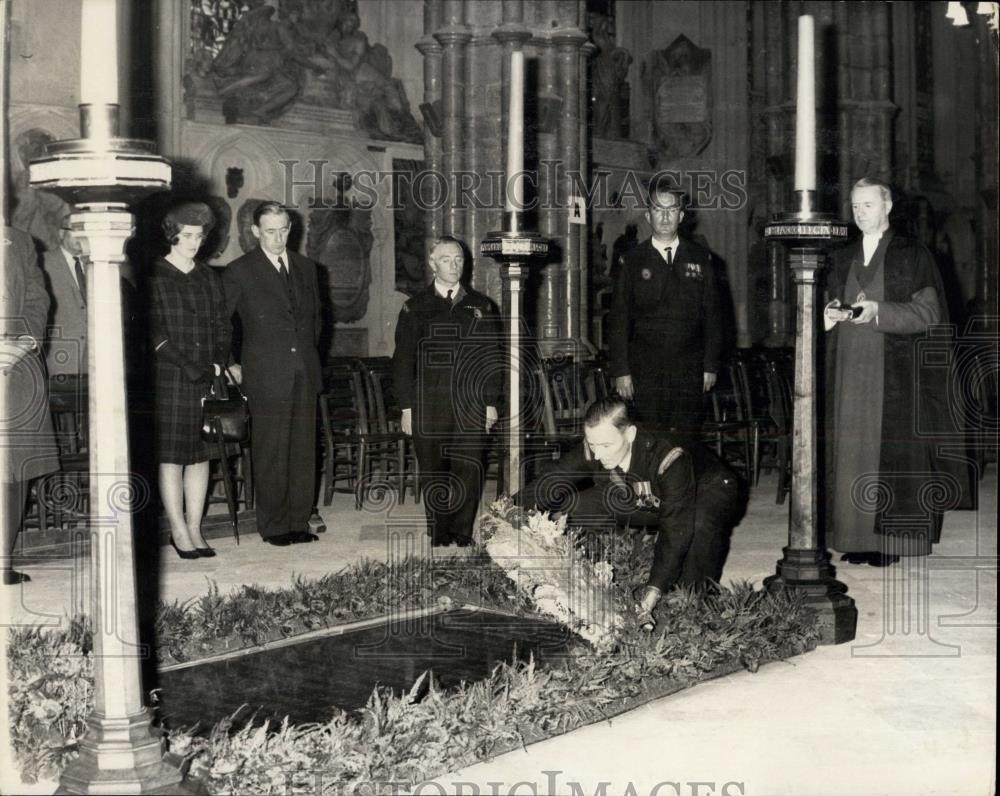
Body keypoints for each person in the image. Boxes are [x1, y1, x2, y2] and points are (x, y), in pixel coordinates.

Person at [823, 177, 966, 566]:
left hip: (895, 373)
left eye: (868, 205)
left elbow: (929, 314)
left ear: (887, 206)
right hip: (847, 370)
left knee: (889, 455)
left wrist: (879, 312)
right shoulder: (840, 255)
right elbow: (825, 300)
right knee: (850, 452)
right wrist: (830, 313)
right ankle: (854, 538)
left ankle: (889, 543)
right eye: (855, 206)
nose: (860, 213)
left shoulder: (912, 254)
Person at [517, 396, 745, 630]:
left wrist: (651, 595)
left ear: (631, 434)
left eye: (606, 446)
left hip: (708, 489)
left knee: (696, 530)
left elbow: (675, 529)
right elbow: (552, 480)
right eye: (593, 445)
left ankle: (697, 602)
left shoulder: (668, 456)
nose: (597, 455)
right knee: (578, 507)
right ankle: (600, 572)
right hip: (647, 493)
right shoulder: (596, 443)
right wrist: (508, 511)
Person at [223, 202, 322, 546]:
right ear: (255, 232)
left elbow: (316, 321)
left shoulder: (307, 268)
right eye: (270, 231)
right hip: (265, 375)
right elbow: (222, 323)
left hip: (304, 371)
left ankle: (298, 521)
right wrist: (230, 362)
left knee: (303, 450)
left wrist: (307, 358)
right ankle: (275, 526)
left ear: (290, 229)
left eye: (283, 230)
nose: (278, 238)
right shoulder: (239, 271)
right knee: (271, 450)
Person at [392, 236, 502, 547]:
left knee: (469, 467)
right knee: (433, 468)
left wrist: (490, 403)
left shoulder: (481, 305)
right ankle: (439, 533)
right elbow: (403, 361)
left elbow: (492, 357)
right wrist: (407, 408)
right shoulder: (415, 307)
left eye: (458, 259)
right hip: (429, 404)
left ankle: (462, 532)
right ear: (432, 263)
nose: (453, 266)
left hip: (471, 403)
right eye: (445, 259)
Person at [608, 179, 722, 440]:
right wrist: (621, 371)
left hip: (690, 369)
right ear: (648, 216)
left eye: (672, 210)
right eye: (658, 210)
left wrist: (710, 365)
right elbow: (619, 320)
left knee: (685, 438)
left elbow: (713, 317)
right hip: (645, 370)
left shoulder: (701, 258)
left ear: (681, 216)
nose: (665, 216)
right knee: (649, 438)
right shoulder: (632, 260)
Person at [150, 203, 233, 559]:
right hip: (171, 376)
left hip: (206, 376)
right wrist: (187, 365)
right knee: (172, 457)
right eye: (187, 236)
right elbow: (154, 332)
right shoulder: (155, 274)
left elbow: (223, 325)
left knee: (201, 455)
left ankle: (196, 527)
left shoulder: (208, 277)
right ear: (172, 235)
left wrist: (218, 362)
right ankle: (178, 529)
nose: (194, 243)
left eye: (199, 236)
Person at [2, 225, 60, 584]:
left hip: (17, 367)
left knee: (13, 472)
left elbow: (38, 300)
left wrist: (22, 343)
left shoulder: (19, 240)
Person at [41, 214, 87, 386]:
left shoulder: (96, 264)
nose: (81, 236)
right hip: (58, 359)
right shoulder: (42, 263)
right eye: (75, 230)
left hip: (92, 362)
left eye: (84, 231)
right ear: (61, 233)